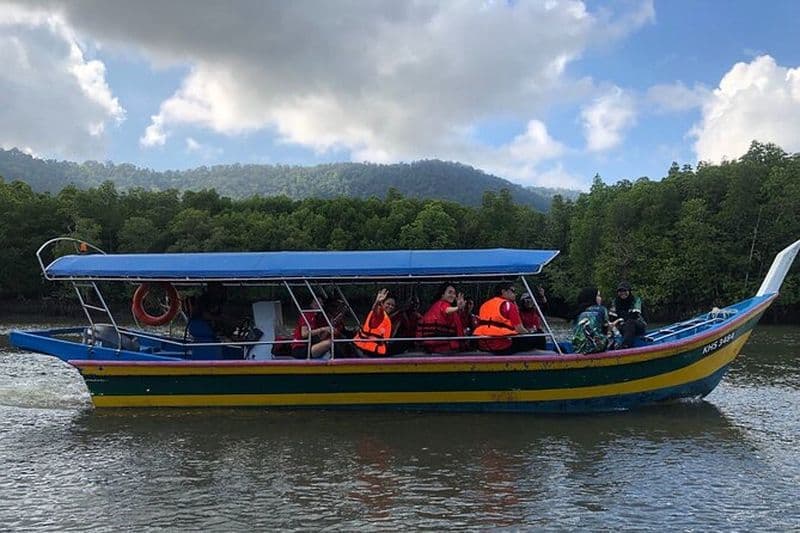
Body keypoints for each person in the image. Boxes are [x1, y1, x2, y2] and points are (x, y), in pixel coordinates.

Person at [474, 282, 538, 355]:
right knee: (538, 336)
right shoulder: (509, 305)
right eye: (513, 290)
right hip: (503, 345)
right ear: (503, 291)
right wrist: (529, 334)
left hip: (483, 345)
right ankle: (542, 358)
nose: (515, 294)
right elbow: (519, 329)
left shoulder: (484, 305)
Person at [417, 282, 466, 353]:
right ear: (442, 294)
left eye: (454, 293)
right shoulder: (442, 305)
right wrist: (458, 307)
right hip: (443, 347)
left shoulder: (437, 305)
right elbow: (446, 310)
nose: (452, 295)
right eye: (450, 292)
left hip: (439, 346)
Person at [571, 287, 615, 354]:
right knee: (614, 336)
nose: (600, 298)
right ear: (593, 297)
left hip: (577, 348)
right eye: (598, 296)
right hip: (595, 346)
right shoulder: (602, 309)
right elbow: (607, 328)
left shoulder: (577, 312)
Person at [354, 289, 395, 357]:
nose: (390, 307)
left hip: (373, 350)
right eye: (388, 304)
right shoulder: (380, 314)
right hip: (367, 350)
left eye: (392, 305)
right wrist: (377, 301)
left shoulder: (386, 317)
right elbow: (375, 310)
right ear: (382, 304)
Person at [609, 281, 646, 349]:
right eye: (620, 291)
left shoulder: (636, 300)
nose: (622, 293)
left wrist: (619, 319)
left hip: (637, 325)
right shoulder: (615, 302)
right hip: (622, 326)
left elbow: (634, 315)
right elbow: (612, 317)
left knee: (630, 322)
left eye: (625, 290)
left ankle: (626, 345)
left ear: (629, 291)